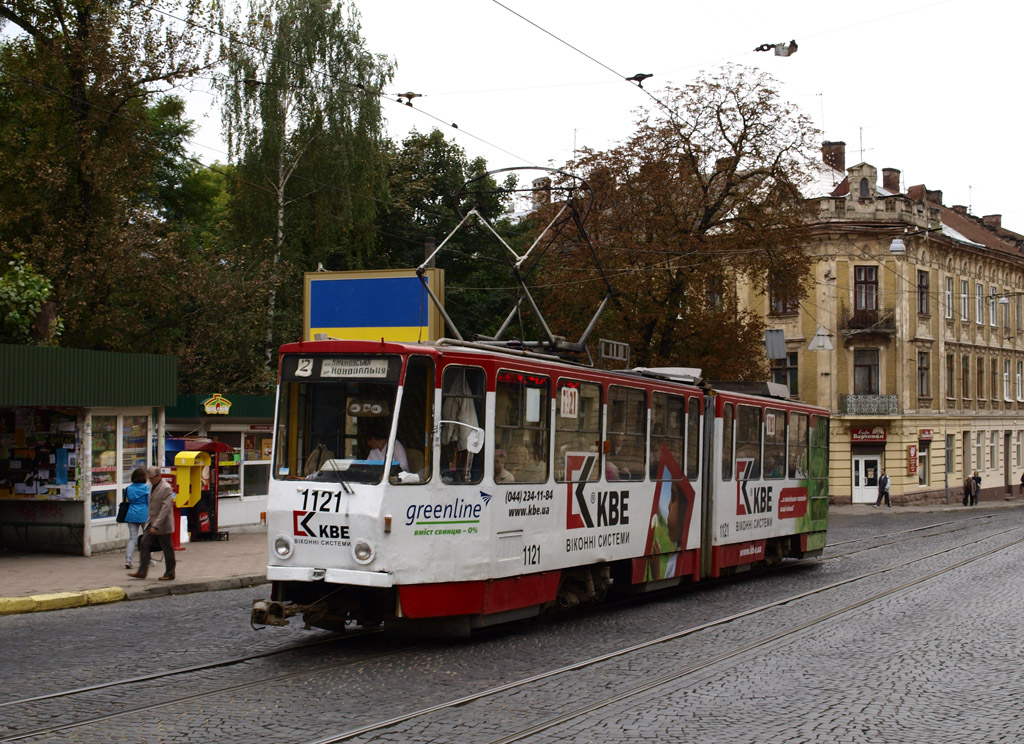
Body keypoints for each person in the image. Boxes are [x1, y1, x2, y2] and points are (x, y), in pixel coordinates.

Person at [128, 466, 176, 581]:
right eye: (149, 478)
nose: (150, 480)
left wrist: (157, 525)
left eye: (152, 478)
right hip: (152, 521)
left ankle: (170, 573)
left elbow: (165, 509)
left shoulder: (166, 488)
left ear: (159, 476)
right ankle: (142, 571)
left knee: (167, 548)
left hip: (162, 524)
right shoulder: (150, 486)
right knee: (144, 542)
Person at [123, 466, 150, 570]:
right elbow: (149, 502)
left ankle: (128, 560)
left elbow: (127, 501)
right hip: (144, 514)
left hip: (131, 514)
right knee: (146, 538)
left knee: (132, 538)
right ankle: (147, 559)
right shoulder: (147, 488)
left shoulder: (128, 488)